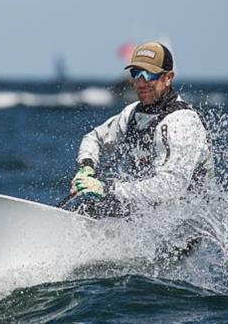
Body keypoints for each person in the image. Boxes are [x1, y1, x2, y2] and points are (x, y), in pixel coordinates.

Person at [66, 41, 214, 218]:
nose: (141, 82)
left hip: (187, 224)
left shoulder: (184, 123)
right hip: (151, 214)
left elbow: (173, 186)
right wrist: (86, 167)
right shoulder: (132, 113)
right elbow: (94, 138)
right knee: (87, 210)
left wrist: (107, 188)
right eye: (136, 74)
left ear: (168, 78)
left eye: (150, 74)